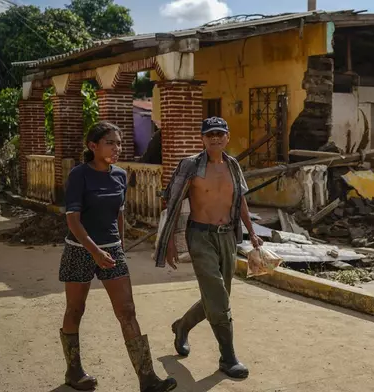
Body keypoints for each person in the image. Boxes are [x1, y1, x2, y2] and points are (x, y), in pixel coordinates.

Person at [59, 121, 177, 392]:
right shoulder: (79, 175)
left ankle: (147, 378)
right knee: (75, 309)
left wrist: (119, 246)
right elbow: (73, 220)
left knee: (127, 311)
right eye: (110, 142)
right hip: (80, 250)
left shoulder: (120, 175)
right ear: (93, 146)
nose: (116, 148)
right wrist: (94, 251)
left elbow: (119, 213)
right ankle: (73, 371)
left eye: (119, 143)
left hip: (111, 250)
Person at [153, 116, 262, 379]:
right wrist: (168, 242)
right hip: (200, 236)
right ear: (202, 138)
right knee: (218, 296)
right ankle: (228, 356)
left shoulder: (233, 165)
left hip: (227, 236)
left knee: (217, 296)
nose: (215, 138)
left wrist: (253, 232)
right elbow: (173, 202)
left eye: (219, 134)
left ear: (227, 137)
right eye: (209, 134)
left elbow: (240, 201)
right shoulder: (190, 165)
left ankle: (182, 326)